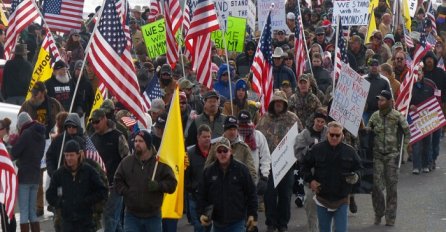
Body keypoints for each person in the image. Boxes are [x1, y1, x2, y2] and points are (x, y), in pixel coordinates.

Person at [302, 121, 362, 232]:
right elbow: (304, 166)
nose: (334, 137)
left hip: (342, 199)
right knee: (324, 230)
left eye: (337, 135)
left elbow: (359, 168)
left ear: (342, 135)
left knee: (341, 230)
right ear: (327, 134)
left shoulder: (350, 151)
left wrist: (356, 176)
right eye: (332, 135)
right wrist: (311, 181)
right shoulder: (316, 149)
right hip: (322, 198)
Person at [256, 91, 302, 232]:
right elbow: (257, 137)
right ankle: (271, 222)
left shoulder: (293, 118)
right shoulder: (264, 119)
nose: (278, 104)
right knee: (269, 195)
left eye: (281, 102)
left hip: (287, 164)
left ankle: (283, 223)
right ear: (272, 103)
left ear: (285, 103)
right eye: (276, 102)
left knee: (285, 195)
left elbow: (301, 137)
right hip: (269, 164)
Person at [114, 130, 177, 231]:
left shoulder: (160, 163)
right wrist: (126, 192)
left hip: (153, 216)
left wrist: (158, 186)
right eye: (135, 141)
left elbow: (172, 184)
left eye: (141, 141)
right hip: (131, 215)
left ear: (148, 143)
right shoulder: (127, 162)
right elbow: (117, 180)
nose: (137, 144)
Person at [197, 137, 258, 232]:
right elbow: (201, 195)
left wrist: (252, 214)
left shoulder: (242, 170)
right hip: (217, 223)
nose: (222, 154)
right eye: (219, 151)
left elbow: (252, 193)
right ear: (215, 153)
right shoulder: (208, 172)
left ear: (231, 151)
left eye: (225, 150)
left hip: (237, 223)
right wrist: (201, 213)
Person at [368, 90, 410, 226]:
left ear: (389, 102)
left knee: (392, 188)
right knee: (376, 187)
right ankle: (378, 213)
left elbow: (407, 133)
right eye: (378, 100)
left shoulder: (397, 116)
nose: (379, 102)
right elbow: (368, 131)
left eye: (382, 100)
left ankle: (390, 217)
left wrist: (404, 150)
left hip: (392, 155)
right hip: (378, 155)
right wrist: (364, 129)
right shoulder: (374, 116)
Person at [46, 140, 108, 232]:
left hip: (86, 221)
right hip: (66, 222)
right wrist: (61, 203)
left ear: (78, 155)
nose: (69, 158)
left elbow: (102, 191)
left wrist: (88, 201)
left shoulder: (89, 171)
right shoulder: (58, 175)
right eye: (66, 155)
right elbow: (50, 195)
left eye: (71, 155)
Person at [90, 108, 130, 232]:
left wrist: (124, 181)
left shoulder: (118, 136)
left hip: (115, 185)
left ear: (104, 119)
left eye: (97, 122)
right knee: (114, 221)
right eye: (93, 122)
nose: (95, 125)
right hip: (100, 185)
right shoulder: (93, 139)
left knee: (110, 218)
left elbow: (127, 160)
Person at [10, 112, 46, 232]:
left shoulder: (26, 133)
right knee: (32, 211)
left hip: (24, 177)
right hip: (36, 177)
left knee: (24, 211)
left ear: (21, 125)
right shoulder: (41, 134)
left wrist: (11, 144)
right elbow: (35, 155)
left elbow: (14, 153)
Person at [294, 110, 328, 232]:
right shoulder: (304, 134)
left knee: (327, 207)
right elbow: (297, 153)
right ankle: (313, 229)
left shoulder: (329, 133)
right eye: (318, 121)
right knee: (310, 204)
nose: (320, 124)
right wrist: (309, 150)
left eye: (322, 122)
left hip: (326, 175)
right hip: (310, 175)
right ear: (314, 120)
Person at [204, 116, 257, 182]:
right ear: (225, 130)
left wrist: (249, 188)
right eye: (230, 129)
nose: (232, 132)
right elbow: (207, 169)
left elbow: (252, 172)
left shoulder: (244, 148)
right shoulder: (215, 146)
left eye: (234, 129)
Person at [409, 64, 437, 174]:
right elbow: (406, 102)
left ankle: (426, 165)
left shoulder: (429, 85)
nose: (418, 75)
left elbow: (435, 100)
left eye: (419, 73)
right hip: (415, 119)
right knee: (416, 143)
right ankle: (416, 167)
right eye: (416, 73)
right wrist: (410, 105)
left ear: (422, 74)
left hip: (427, 118)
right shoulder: (410, 87)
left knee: (427, 143)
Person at [185, 125, 212, 232]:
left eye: (209, 136)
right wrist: (192, 188)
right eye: (204, 137)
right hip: (194, 197)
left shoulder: (216, 152)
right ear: (198, 137)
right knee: (199, 227)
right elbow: (186, 177)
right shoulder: (189, 154)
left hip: (211, 198)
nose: (207, 139)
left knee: (209, 227)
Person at [422, 51, 446, 170]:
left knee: (436, 137)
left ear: (434, 60)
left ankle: (434, 158)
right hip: (424, 110)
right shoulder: (422, 73)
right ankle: (428, 160)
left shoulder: (441, 73)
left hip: (438, 109)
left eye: (431, 58)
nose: (429, 60)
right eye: (427, 59)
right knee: (427, 138)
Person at [362, 59, 391, 124]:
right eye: (372, 65)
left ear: (379, 67)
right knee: (365, 132)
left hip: (380, 112)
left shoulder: (385, 80)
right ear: (368, 67)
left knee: (378, 132)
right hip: (365, 112)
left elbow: (389, 98)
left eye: (376, 65)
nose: (374, 67)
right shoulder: (362, 79)